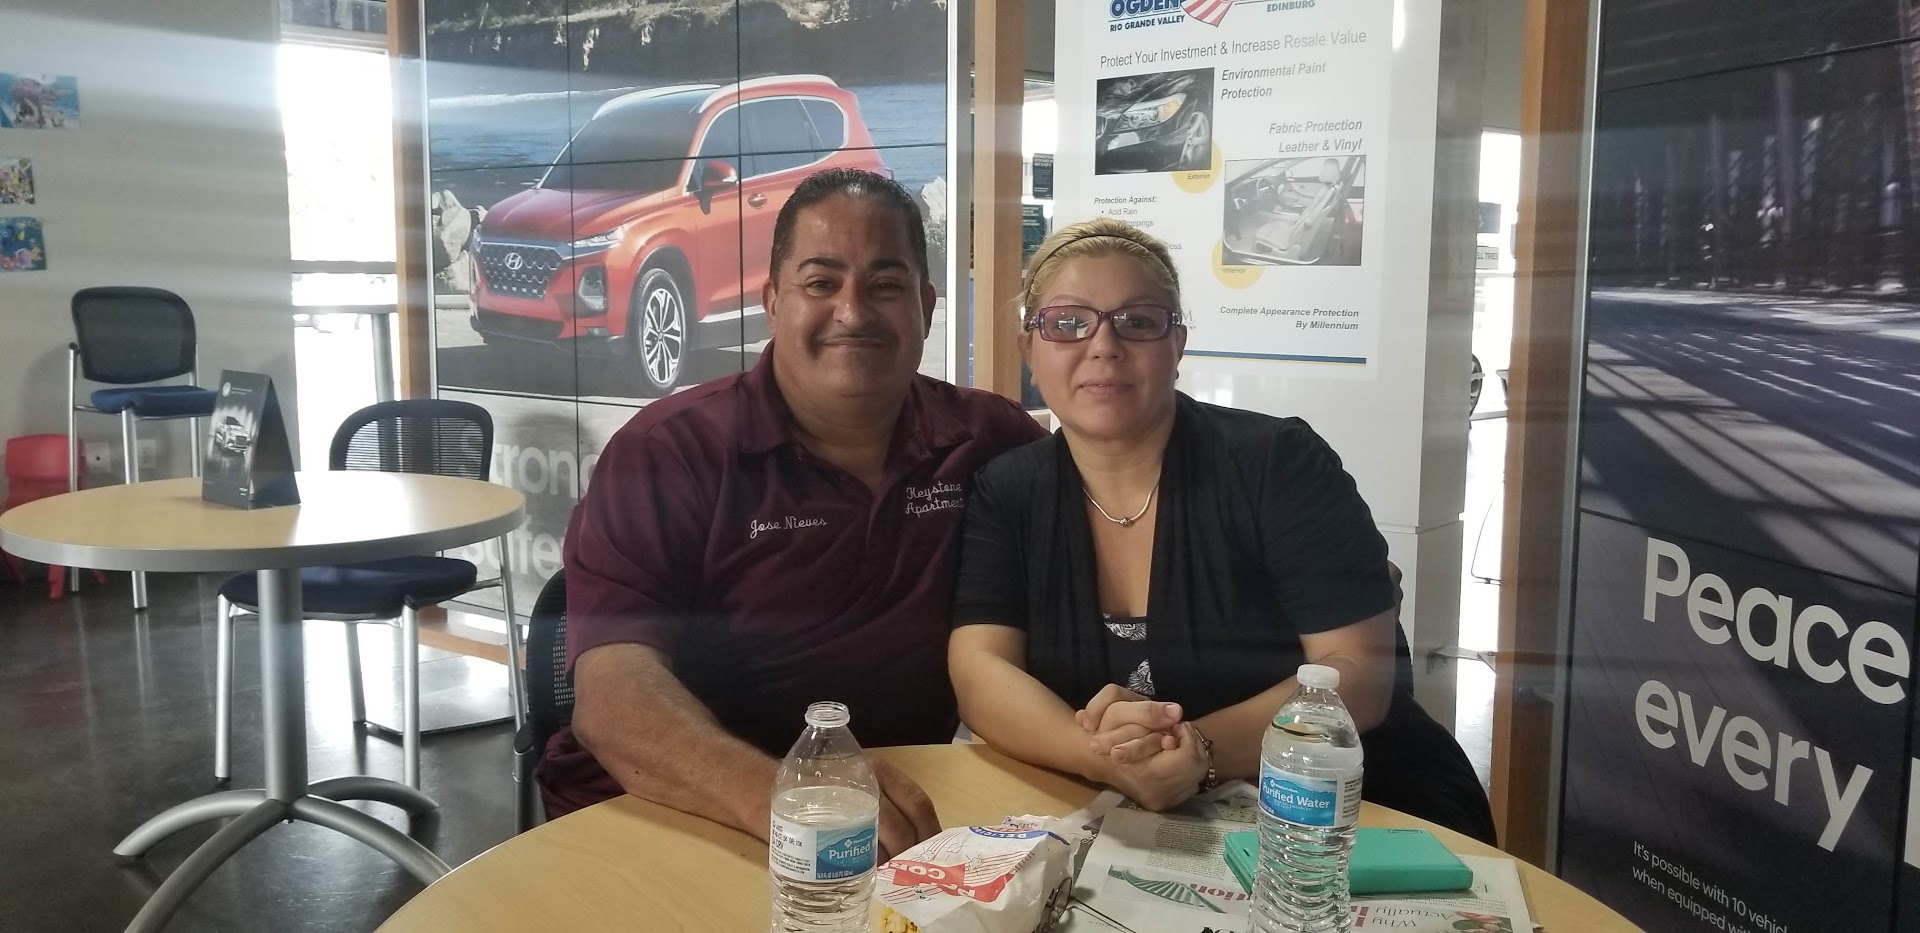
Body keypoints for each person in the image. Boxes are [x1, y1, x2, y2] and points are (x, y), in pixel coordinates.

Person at [538, 169, 1047, 858]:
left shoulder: (989, 441)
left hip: (892, 820)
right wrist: (792, 799)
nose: (853, 312)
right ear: (773, 302)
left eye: (885, 284)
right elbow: (613, 698)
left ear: (925, 306)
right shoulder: (669, 452)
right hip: (667, 812)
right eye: (821, 282)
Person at [947, 217, 1496, 842]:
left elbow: (1361, 673)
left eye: (1138, 321)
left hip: (1345, 816)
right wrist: (1100, 759)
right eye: (1068, 322)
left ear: (1177, 345)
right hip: (1127, 822)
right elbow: (980, 668)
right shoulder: (1008, 489)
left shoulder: (1278, 464)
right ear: (1029, 349)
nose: (1103, 345)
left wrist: (1201, 751)